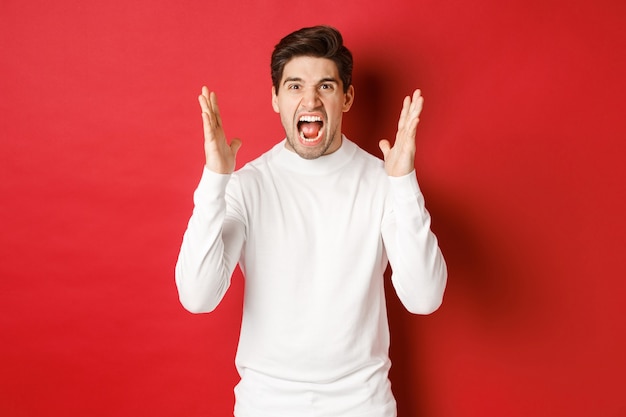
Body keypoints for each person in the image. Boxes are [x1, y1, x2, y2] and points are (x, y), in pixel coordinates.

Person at [175, 25, 447, 417]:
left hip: (363, 406)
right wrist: (216, 180)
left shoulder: (382, 183)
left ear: (347, 97)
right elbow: (198, 297)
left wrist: (403, 183)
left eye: (325, 86)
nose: (310, 100)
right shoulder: (246, 185)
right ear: (275, 99)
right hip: (265, 406)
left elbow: (424, 298)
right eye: (295, 86)